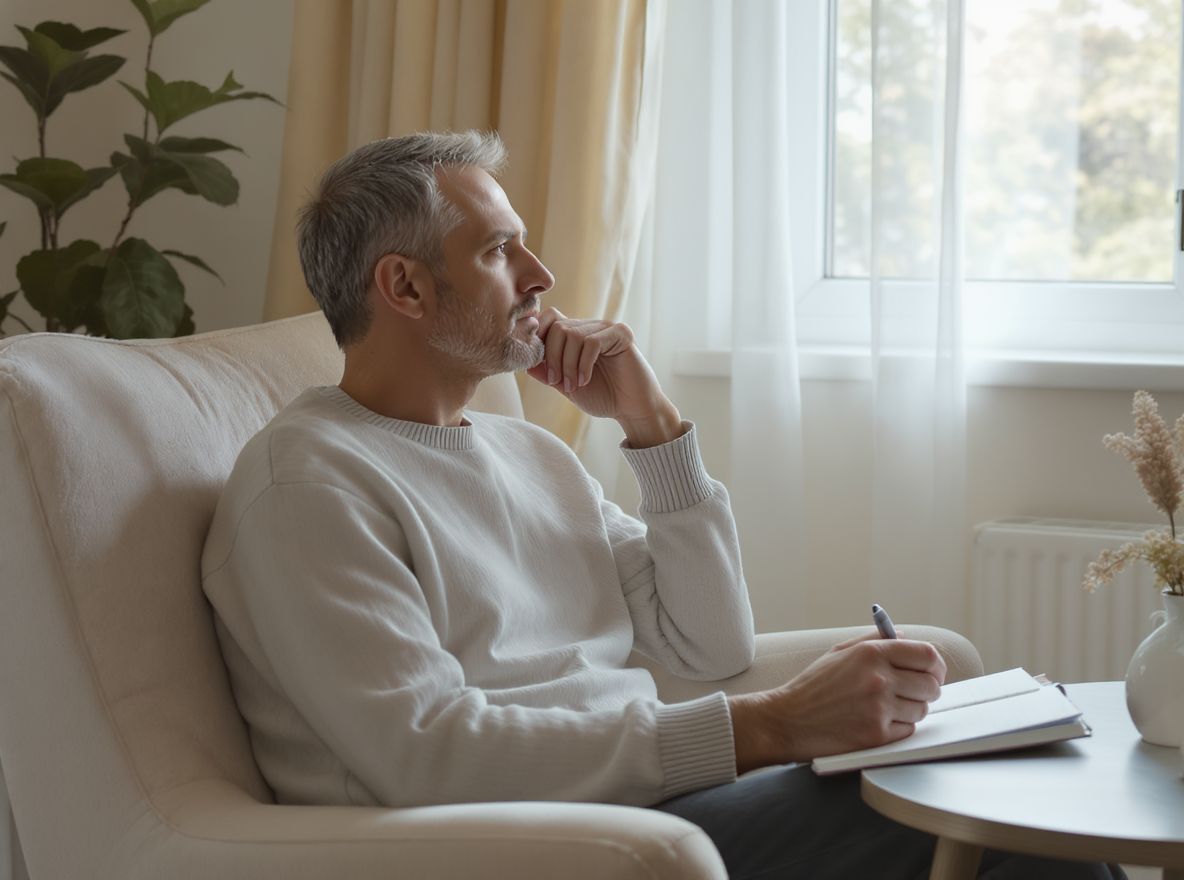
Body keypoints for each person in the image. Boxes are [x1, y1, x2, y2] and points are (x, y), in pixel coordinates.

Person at [200, 131, 1122, 879]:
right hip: (540, 850)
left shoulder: (527, 454)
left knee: (1022, 801)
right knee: (1003, 834)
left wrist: (653, 426)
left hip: (653, 815)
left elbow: (709, 645)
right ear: (402, 286)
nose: (540, 275)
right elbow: (429, 755)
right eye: (496, 249)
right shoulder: (309, 488)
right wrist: (774, 726)